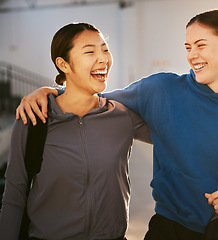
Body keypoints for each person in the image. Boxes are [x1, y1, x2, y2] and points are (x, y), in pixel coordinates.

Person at [16, 10, 218, 240]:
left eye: (201, 45)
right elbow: (89, 101)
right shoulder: (161, 90)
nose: (192, 55)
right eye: (188, 47)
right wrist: (48, 92)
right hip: (167, 231)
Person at [0, 22, 152, 240]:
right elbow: (14, 196)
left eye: (105, 49)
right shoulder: (34, 119)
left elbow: (178, 138)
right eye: (90, 51)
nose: (103, 58)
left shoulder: (123, 116)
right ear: (63, 64)